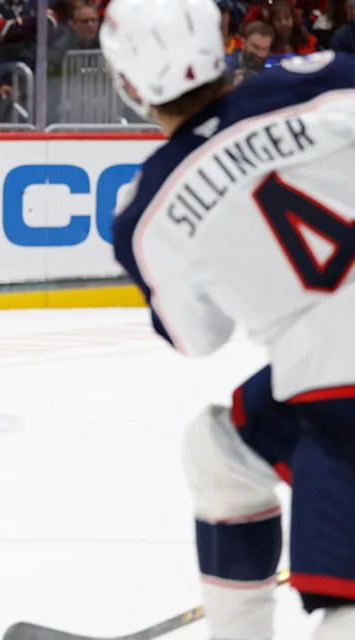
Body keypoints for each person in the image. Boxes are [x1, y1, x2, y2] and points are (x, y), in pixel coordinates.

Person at [101, 0, 355, 637]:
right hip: (329, 382)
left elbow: (198, 336)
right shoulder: (320, 78)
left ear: (128, 84)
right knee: (216, 450)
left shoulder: (146, 211)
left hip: (338, 397)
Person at [48, 3, 100, 74]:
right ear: (74, 25)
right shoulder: (61, 49)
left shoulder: (104, 43)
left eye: (93, 20)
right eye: (85, 21)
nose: (90, 25)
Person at [227, 20, 275, 85]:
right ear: (243, 43)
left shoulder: (273, 70)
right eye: (256, 47)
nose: (260, 54)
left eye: (265, 49)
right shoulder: (226, 67)